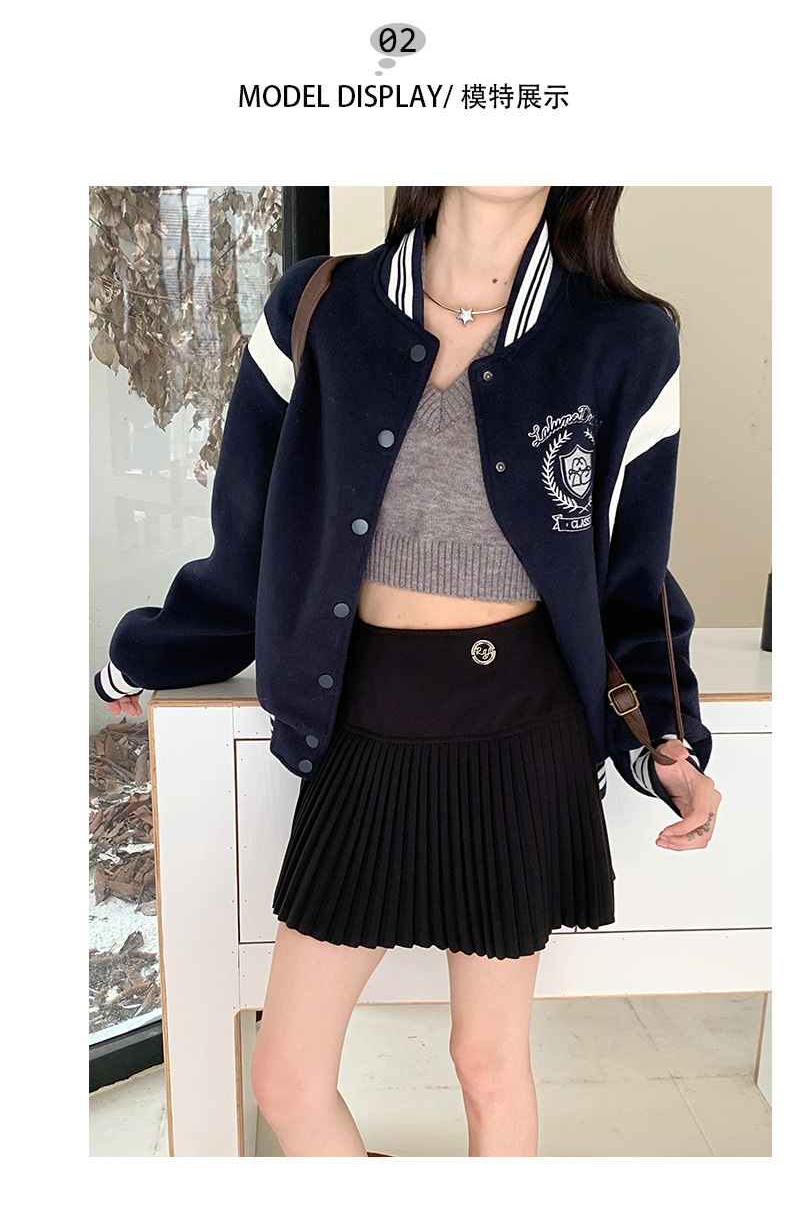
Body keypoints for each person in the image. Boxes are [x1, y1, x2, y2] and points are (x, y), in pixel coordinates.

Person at [95, 186, 722, 1157]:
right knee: (286, 1079)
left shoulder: (624, 339)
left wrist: (667, 744)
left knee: (486, 1062)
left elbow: (632, 586)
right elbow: (253, 540)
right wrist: (147, 654)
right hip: (363, 723)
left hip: (524, 732)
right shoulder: (319, 306)